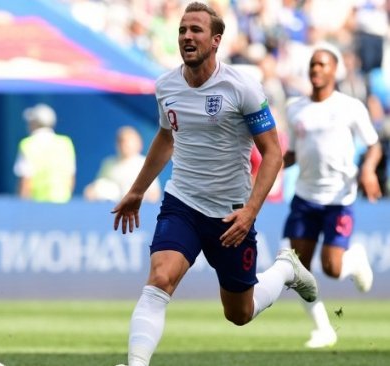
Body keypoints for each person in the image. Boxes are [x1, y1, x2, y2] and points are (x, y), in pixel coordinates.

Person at [111, 3, 318, 366]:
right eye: (182, 30)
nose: (187, 37)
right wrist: (138, 189)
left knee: (239, 313)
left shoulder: (243, 88)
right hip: (183, 203)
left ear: (216, 40)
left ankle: (286, 269)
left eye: (196, 30)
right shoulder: (166, 86)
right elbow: (166, 136)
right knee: (160, 278)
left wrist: (251, 212)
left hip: (231, 215)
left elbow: (273, 153)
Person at [282, 47, 382, 349]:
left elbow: (374, 145)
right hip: (304, 197)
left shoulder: (350, 107)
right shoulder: (295, 108)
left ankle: (355, 259)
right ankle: (323, 329)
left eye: (322, 64)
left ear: (334, 70)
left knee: (332, 268)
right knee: (297, 270)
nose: (316, 69)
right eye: (313, 64)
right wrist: (267, 167)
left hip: (338, 198)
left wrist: (367, 170)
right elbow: (293, 154)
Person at [13, 103, 76, 203]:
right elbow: (70, 178)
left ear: (34, 123)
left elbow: (26, 181)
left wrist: (22, 208)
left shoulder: (28, 144)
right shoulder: (65, 143)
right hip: (62, 205)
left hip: (37, 207)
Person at [84, 125, 161, 203]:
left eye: (128, 142)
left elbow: (154, 194)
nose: (125, 145)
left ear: (138, 144)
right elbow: (97, 187)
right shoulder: (108, 163)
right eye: (121, 141)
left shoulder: (146, 164)